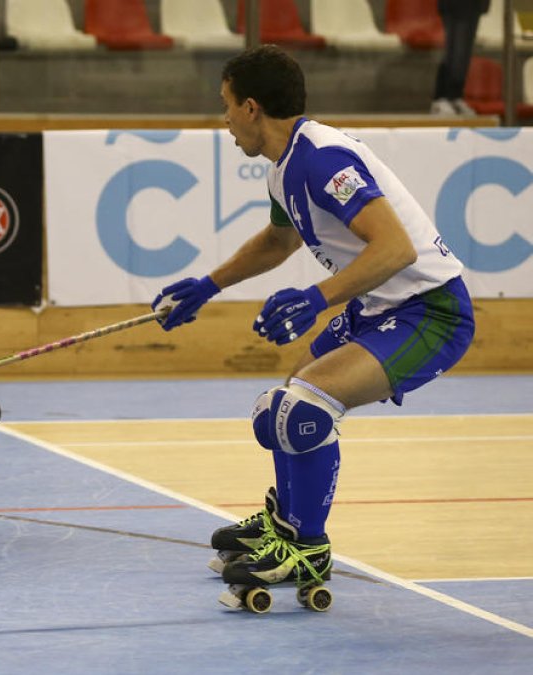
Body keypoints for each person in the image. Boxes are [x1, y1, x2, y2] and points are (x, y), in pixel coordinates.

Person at [152, 45, 475, 602]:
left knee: (305, 406)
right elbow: (279, 241)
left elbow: (395, 248)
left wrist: (317, 297)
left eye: (226, 106)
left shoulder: (323, 157)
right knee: (280, 412)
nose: (224, 120)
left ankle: (307, 548)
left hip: (431, 311)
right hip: (378, 306)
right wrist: (210, 286)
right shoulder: (285, 168)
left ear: (252, 108)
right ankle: (287, 523)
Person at [430, 0, 490, 116]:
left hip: (472, 5)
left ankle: (455, 96)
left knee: (464, 53)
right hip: (454, 4)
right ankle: (442, 97)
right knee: (455, 50)